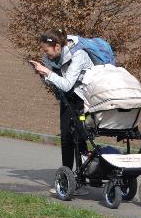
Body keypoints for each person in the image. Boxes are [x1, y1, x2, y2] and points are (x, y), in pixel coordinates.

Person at [29, 29, 93, 195]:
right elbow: (54, 83)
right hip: (68, 99)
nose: (45, 54)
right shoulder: (56, 57)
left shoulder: (77, 55)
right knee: (68, 138)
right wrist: (43, 75)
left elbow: (66, 84)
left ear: (57, 46)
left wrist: (47, 72)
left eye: (46, 50)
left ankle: (76, 180)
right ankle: (72, 179)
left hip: (82, 99)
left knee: (77, 138)